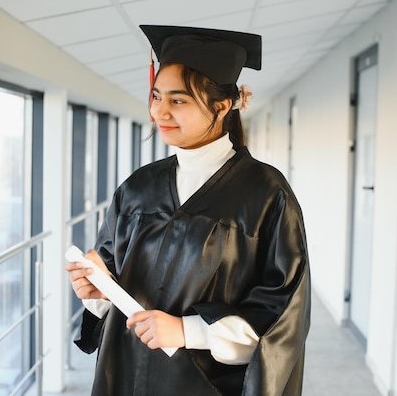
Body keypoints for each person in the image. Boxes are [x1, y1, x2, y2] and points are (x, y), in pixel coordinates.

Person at [65, 24, 310, 396]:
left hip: (201, 384)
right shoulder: (137, 189)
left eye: (177, 100)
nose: (158, 111)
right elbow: (111, 268)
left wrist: (187, 330)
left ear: (223, 106)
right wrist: (97, 290)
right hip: (125, 372)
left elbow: (283, 314)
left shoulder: (266, 195)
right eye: (156, 95)